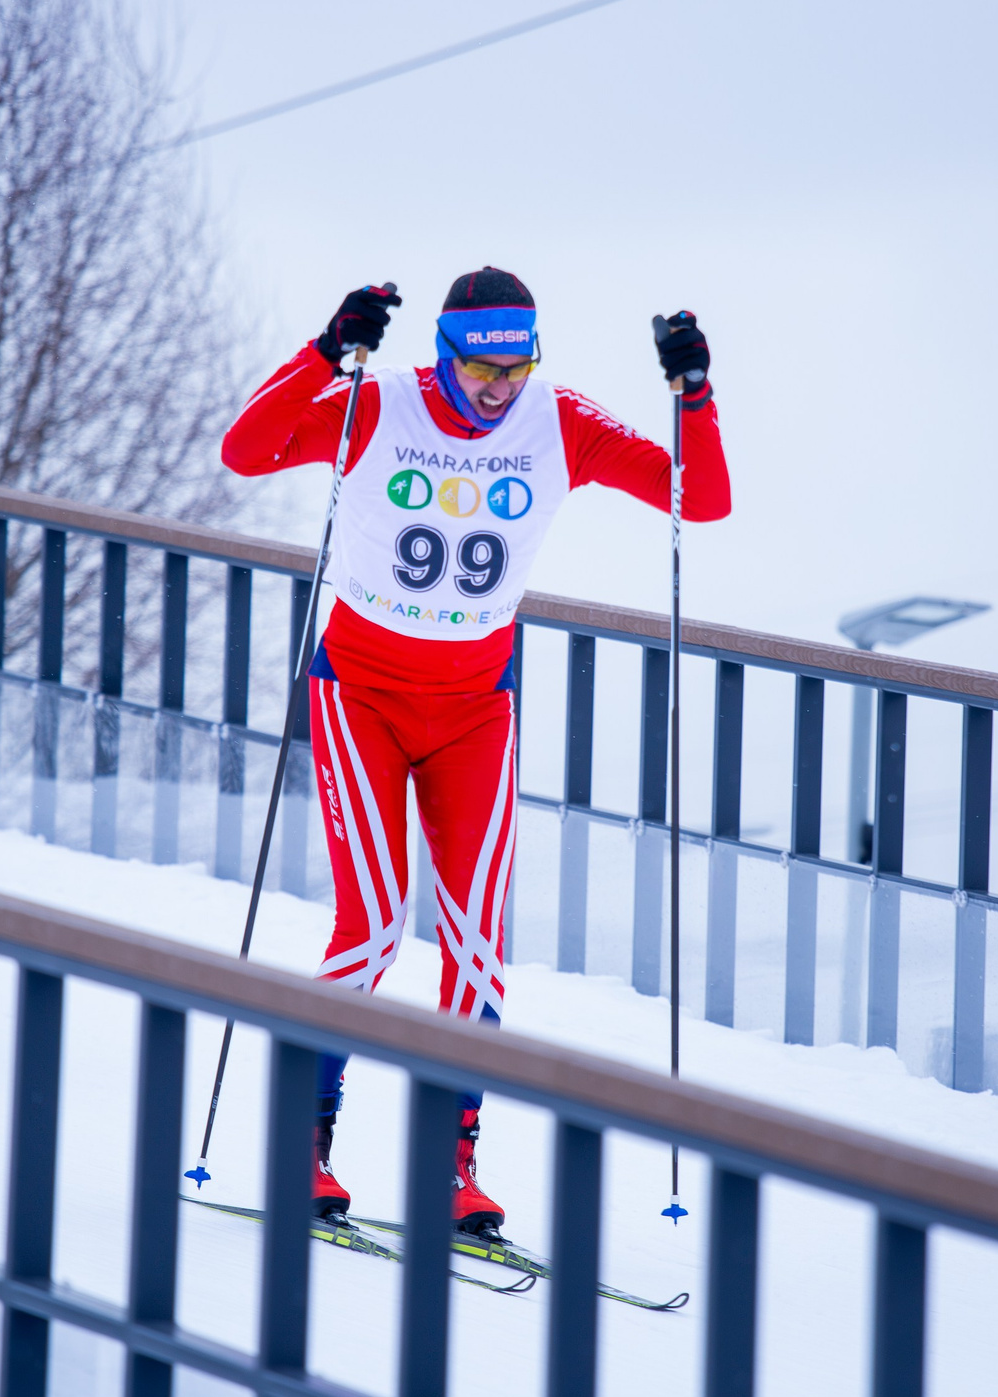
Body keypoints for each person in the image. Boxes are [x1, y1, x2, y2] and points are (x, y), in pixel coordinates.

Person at [222, 268, 731, 1235]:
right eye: (482, 367)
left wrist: (694, 395)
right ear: (445, 353)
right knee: (372, 927)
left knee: (474, 950)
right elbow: (244, 451)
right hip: (359, 693)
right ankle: (306, 1137)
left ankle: (452, 1164)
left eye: (517, 365)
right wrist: (329, 348)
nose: (499, 387)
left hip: (472, 712)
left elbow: (697, 499)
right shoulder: (378, 402)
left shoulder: (559, 422)